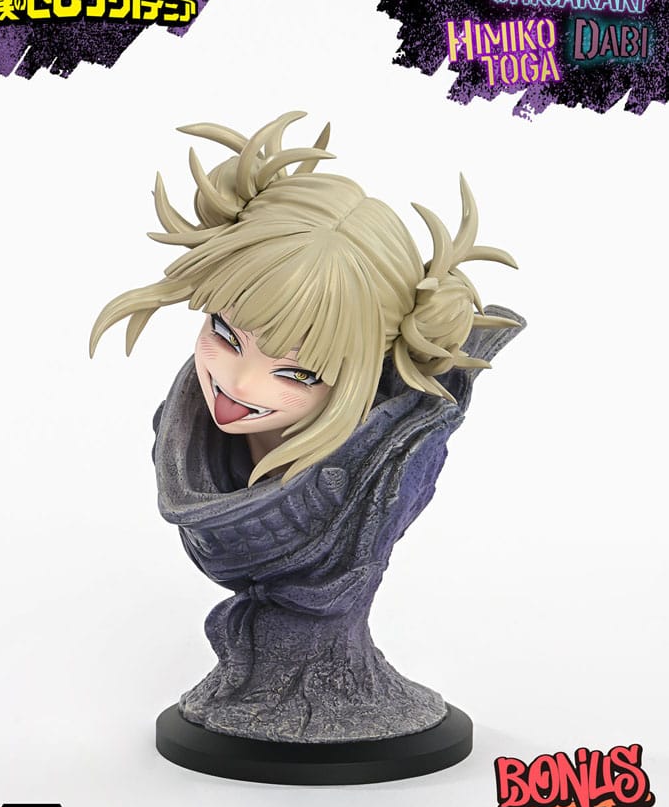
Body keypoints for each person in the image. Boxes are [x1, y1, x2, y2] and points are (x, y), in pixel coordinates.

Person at [90, 112, 523, 773]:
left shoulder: (388, 460)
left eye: (296, 371)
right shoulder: (188, 441)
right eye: (224, 334)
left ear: (364, 371)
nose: (237, 383)